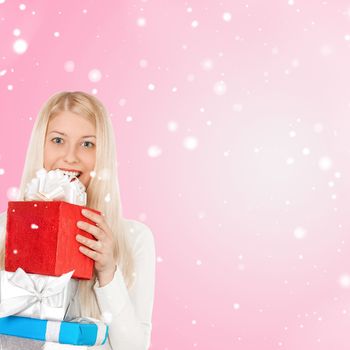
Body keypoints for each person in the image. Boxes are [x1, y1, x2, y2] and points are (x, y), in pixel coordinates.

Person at [0, 91, 156, 350]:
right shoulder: (3, 229)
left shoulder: (135, 238)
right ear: (41, 144)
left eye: (87, 144)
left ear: (102, 153)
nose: (70, 157)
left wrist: (107, 272)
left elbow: (134, 347)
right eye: (58, 140)